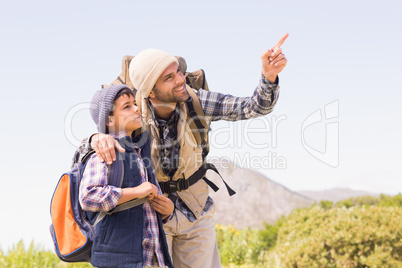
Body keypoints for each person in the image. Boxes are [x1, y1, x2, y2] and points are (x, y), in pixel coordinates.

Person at [77, 33, 288, 268]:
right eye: (169, 77)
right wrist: (96, 138)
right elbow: (91, 151)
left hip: (195, 210)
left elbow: (252, 107)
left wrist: (269, 77)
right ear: (151, 91)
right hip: (152, 216)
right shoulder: (133, 113)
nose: (180, 80)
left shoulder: (196, 100)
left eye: (178, 71)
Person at [79, 84, 174, 268]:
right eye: (127, 106)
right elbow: (88, 197)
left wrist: (166, 212)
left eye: (134, 104)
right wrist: (137, 192)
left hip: (152, 259)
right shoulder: (105, 151)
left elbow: (143, 213)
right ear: (108, 120)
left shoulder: (138, 152)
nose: (137, 109)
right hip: (119, 261)